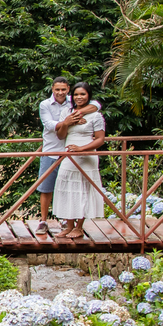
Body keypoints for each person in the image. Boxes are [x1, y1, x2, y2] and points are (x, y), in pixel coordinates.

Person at [36, 77, 100, 235]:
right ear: (52, 89)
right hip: (52, 149)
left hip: (76, 152)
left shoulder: (73, 102)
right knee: (48, 187)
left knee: (77, 188)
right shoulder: (46, 105)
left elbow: (97, 104)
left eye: (63, 90)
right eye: (57, 89)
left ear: (68, 89)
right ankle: (44, 221)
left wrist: (77, 113)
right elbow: (50, 125)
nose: (60, 92)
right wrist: (67, 121)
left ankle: (72, 225)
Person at [52, 82, 107, 239]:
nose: (79, 97)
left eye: (82, 94)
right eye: (76, 94)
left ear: (88, 95)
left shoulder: (95, 116)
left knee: (83, 190)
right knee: (66, 186)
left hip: (86, 154)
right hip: (69, 154)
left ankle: (79, 227)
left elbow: (100, 139)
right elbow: (61, 136)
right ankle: (69, 226)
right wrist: (67, 123)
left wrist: (82, 149)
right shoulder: (66, 112)